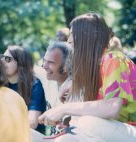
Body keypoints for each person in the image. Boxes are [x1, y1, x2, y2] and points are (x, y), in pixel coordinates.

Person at [38, 12, 136, 142]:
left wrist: (63, 109)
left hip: (130, 129)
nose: (69, 40)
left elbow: (112, 108)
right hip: (109, 132)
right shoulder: (93, 69)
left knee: (87, 122)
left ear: (86, 37)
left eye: (73, 34)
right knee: (66, 138)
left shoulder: (113, 59)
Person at [1, 45, 46, 134]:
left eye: (7, 59)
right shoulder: (0, 84)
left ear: (20, 63)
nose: (2, 62)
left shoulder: (35, 85)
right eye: (2, 57)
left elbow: (32, 123)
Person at [34, 41, 72, 137]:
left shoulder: (78, 90)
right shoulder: (47, 77)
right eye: (44, 60)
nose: (44, 66)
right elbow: (22, 64)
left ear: (66, 66)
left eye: (50, 62)